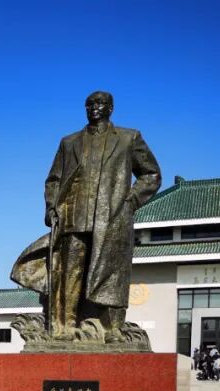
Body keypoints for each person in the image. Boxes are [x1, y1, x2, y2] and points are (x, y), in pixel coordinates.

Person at [37, 90, 161, 341]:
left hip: (111, 216)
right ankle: (66, 326)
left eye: (100, 103)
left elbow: (151, 174)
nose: (94, 107)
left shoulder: (128, 138)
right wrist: (51, 208)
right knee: (70, 272)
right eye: (90, 104)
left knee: (110, 271)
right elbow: (54, 179)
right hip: (74, 216)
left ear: (110, 108)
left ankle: (111, 327)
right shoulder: (69, 142)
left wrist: (130, 201)